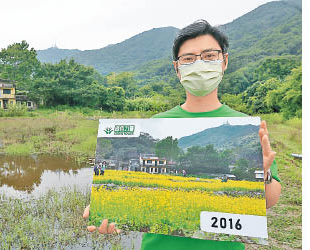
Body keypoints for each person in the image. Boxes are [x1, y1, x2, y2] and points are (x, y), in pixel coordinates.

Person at [83, 20, 281, 250]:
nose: (199, 64)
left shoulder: (249, 126)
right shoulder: (156, 123)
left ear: (224, 61)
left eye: (209, 55)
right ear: (177, 68)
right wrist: (106, 208)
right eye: (188, 58)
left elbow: (270, 201)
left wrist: (263, 174)